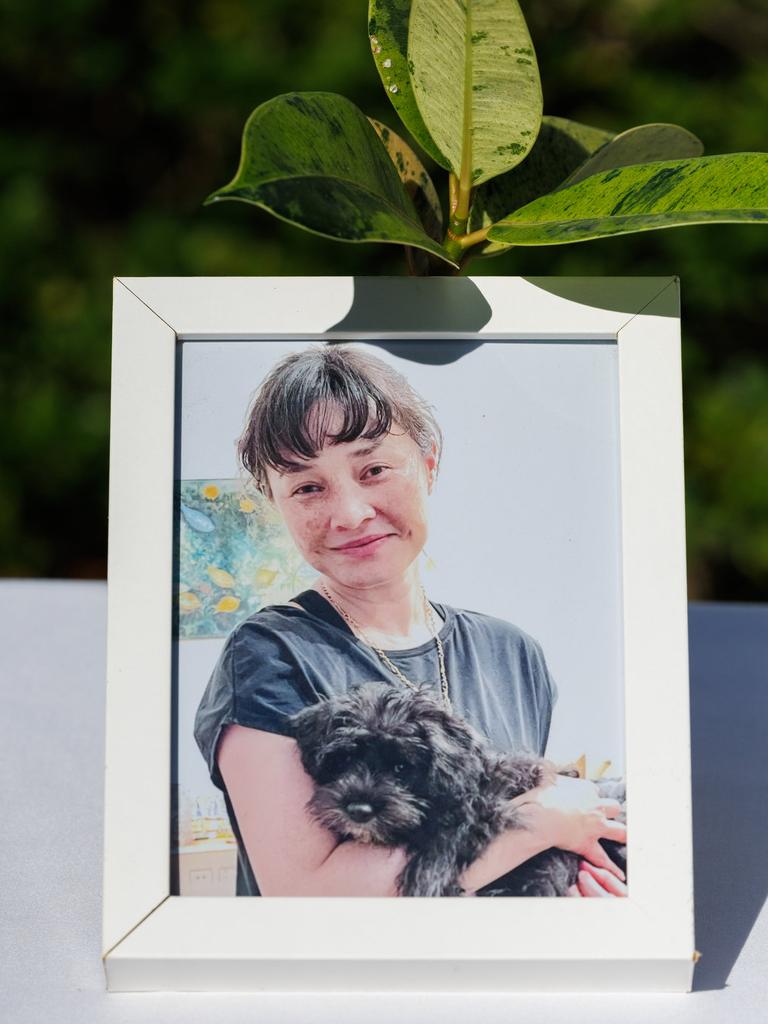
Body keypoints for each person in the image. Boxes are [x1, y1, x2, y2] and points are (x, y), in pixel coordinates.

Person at [194, 344, 627, 898]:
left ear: (428, 463)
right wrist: (538, 824)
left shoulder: (512, 653)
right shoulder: (269, 654)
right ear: (276, 503)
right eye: (307, 487)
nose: (349, 514)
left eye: (373, 469)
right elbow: (307, 898)